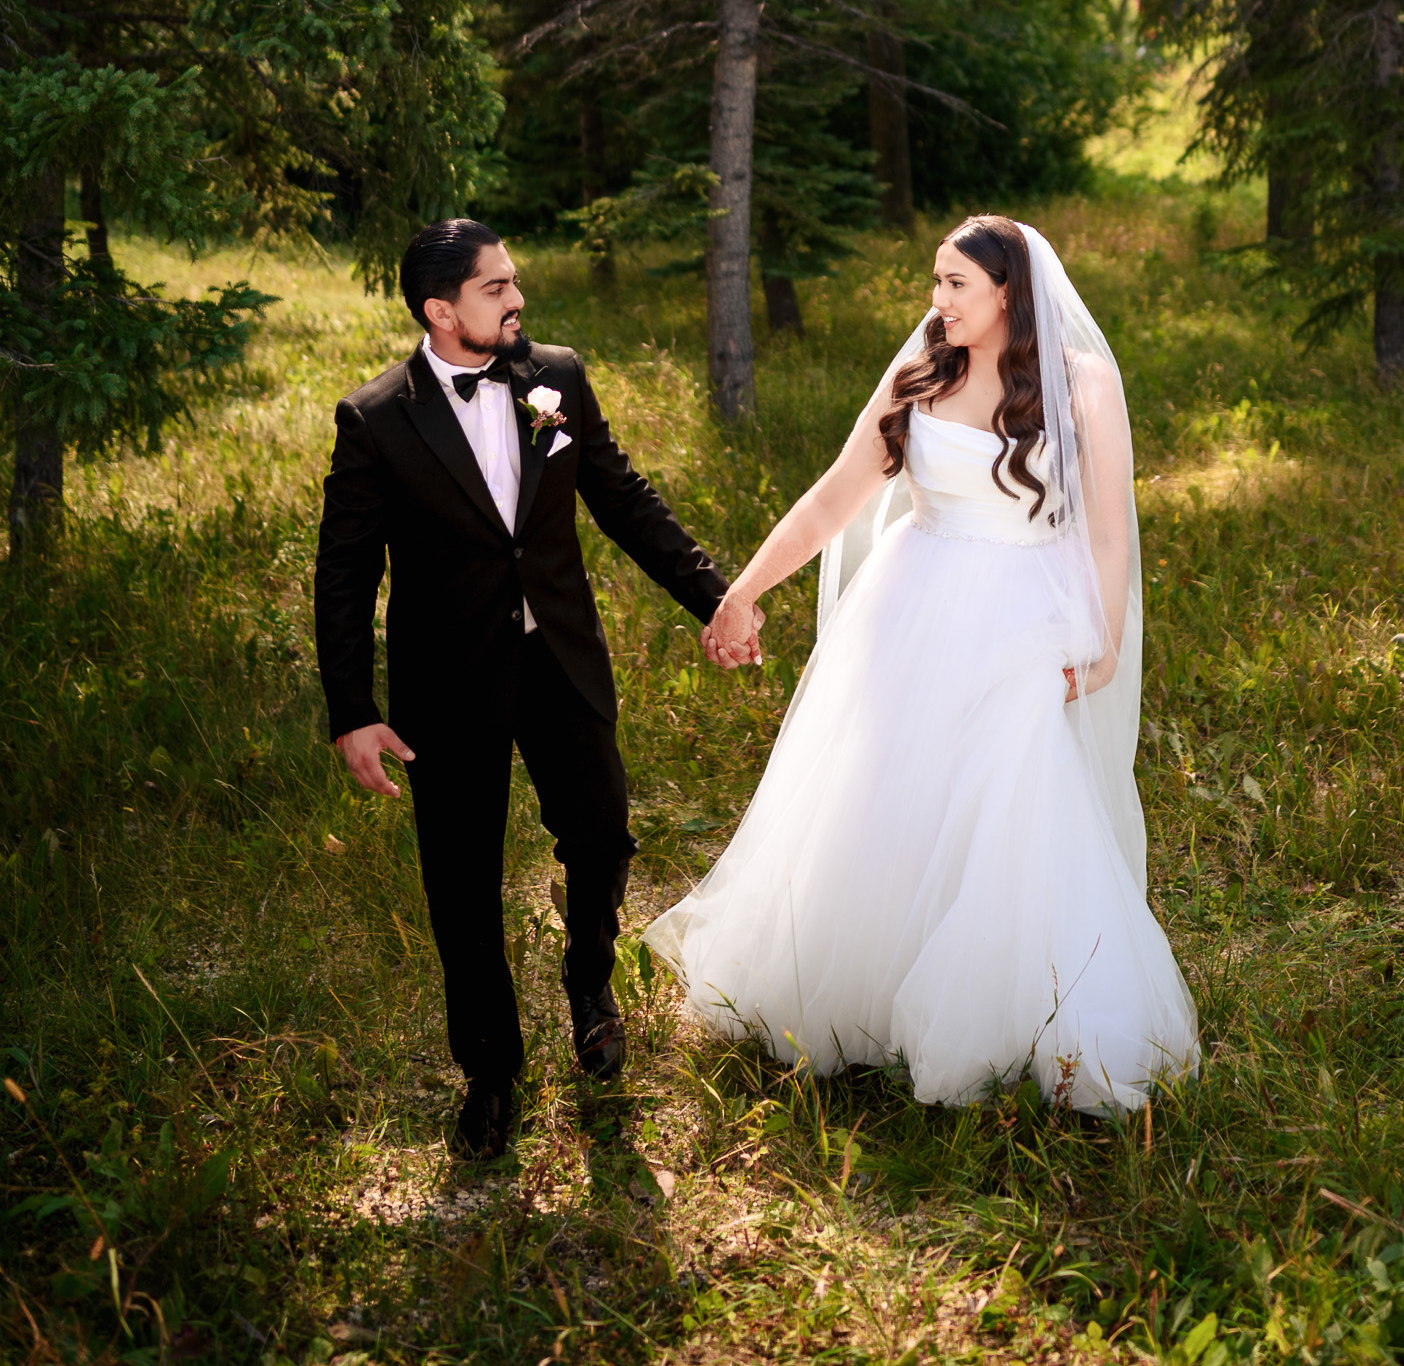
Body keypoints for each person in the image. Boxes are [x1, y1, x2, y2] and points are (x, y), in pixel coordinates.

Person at [647, 215, 1199, 1112]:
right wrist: (741, 592)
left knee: (1010, 805)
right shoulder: (920, 378)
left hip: (1025, 619)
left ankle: (1008, 1010)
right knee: (885, 794)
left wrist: (1098, 648)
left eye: (955, 285)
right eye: (934, 282)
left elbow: (1106, 533)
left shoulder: (1081, 384)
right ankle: (866, 985)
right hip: (909, 609)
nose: (935, 303)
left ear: (1008, 293)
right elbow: (835, 495)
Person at [313, 218, 749, 1159]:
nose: (516, 300)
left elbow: (623, 498)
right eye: (495, 287)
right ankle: (490, 1072)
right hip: (448, 682)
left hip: (558, 657)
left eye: (513, 283)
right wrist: (352, 710)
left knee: (602, 836)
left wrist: (717, 598)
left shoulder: (557, 376)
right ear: (441, 309)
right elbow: (343, 572)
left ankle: (588, 982)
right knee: (460, 884)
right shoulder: (377, 418)